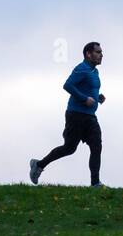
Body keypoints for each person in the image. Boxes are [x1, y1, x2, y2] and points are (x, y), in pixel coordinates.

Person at [30, 42, 107, 187]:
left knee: (97, 146)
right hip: (76, 115)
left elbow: (87, 88)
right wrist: (84, 99)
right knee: (69, 148)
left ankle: (95, 183)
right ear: (88, 54)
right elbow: (68, 85)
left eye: (101, 52)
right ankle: (39, 165)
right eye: (98, 52)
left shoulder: (94, 71)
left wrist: (97, 97)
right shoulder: (81, 68)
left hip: (90, 117)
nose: (101, 55)